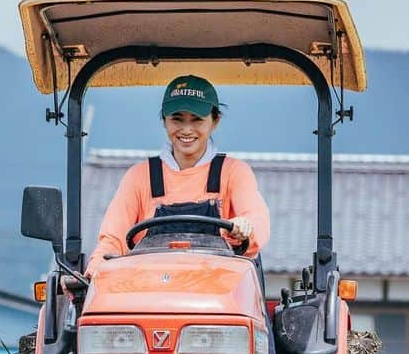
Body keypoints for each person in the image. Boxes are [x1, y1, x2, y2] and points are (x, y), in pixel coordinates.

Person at [86, 74, 271, 277]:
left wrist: (242, 228)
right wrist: (94, 272)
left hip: (219, 293)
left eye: (197, 120)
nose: (186, 129)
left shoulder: (234, 172)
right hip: (149, 290)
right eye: (177, 119)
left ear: (215, 121)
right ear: (164, 120)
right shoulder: (140, 177)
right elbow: (113, 239)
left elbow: (256, 222)